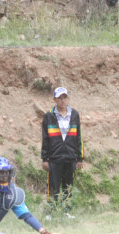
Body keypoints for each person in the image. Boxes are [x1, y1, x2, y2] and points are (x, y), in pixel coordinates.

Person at [40, 87, 84, 216]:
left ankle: (66, 212)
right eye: (59, 98)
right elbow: (45, 138)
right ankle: (50, 212)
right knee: (53, 185)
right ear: (54, 99)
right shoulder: (49, 116)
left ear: (68, 98)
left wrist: (80, 158)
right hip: (54, 157)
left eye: (65, 97)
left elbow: (79, 137)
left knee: (68, 186)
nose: (62, 100)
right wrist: (45, 159)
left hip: (70, 157)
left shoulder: (74, 114)